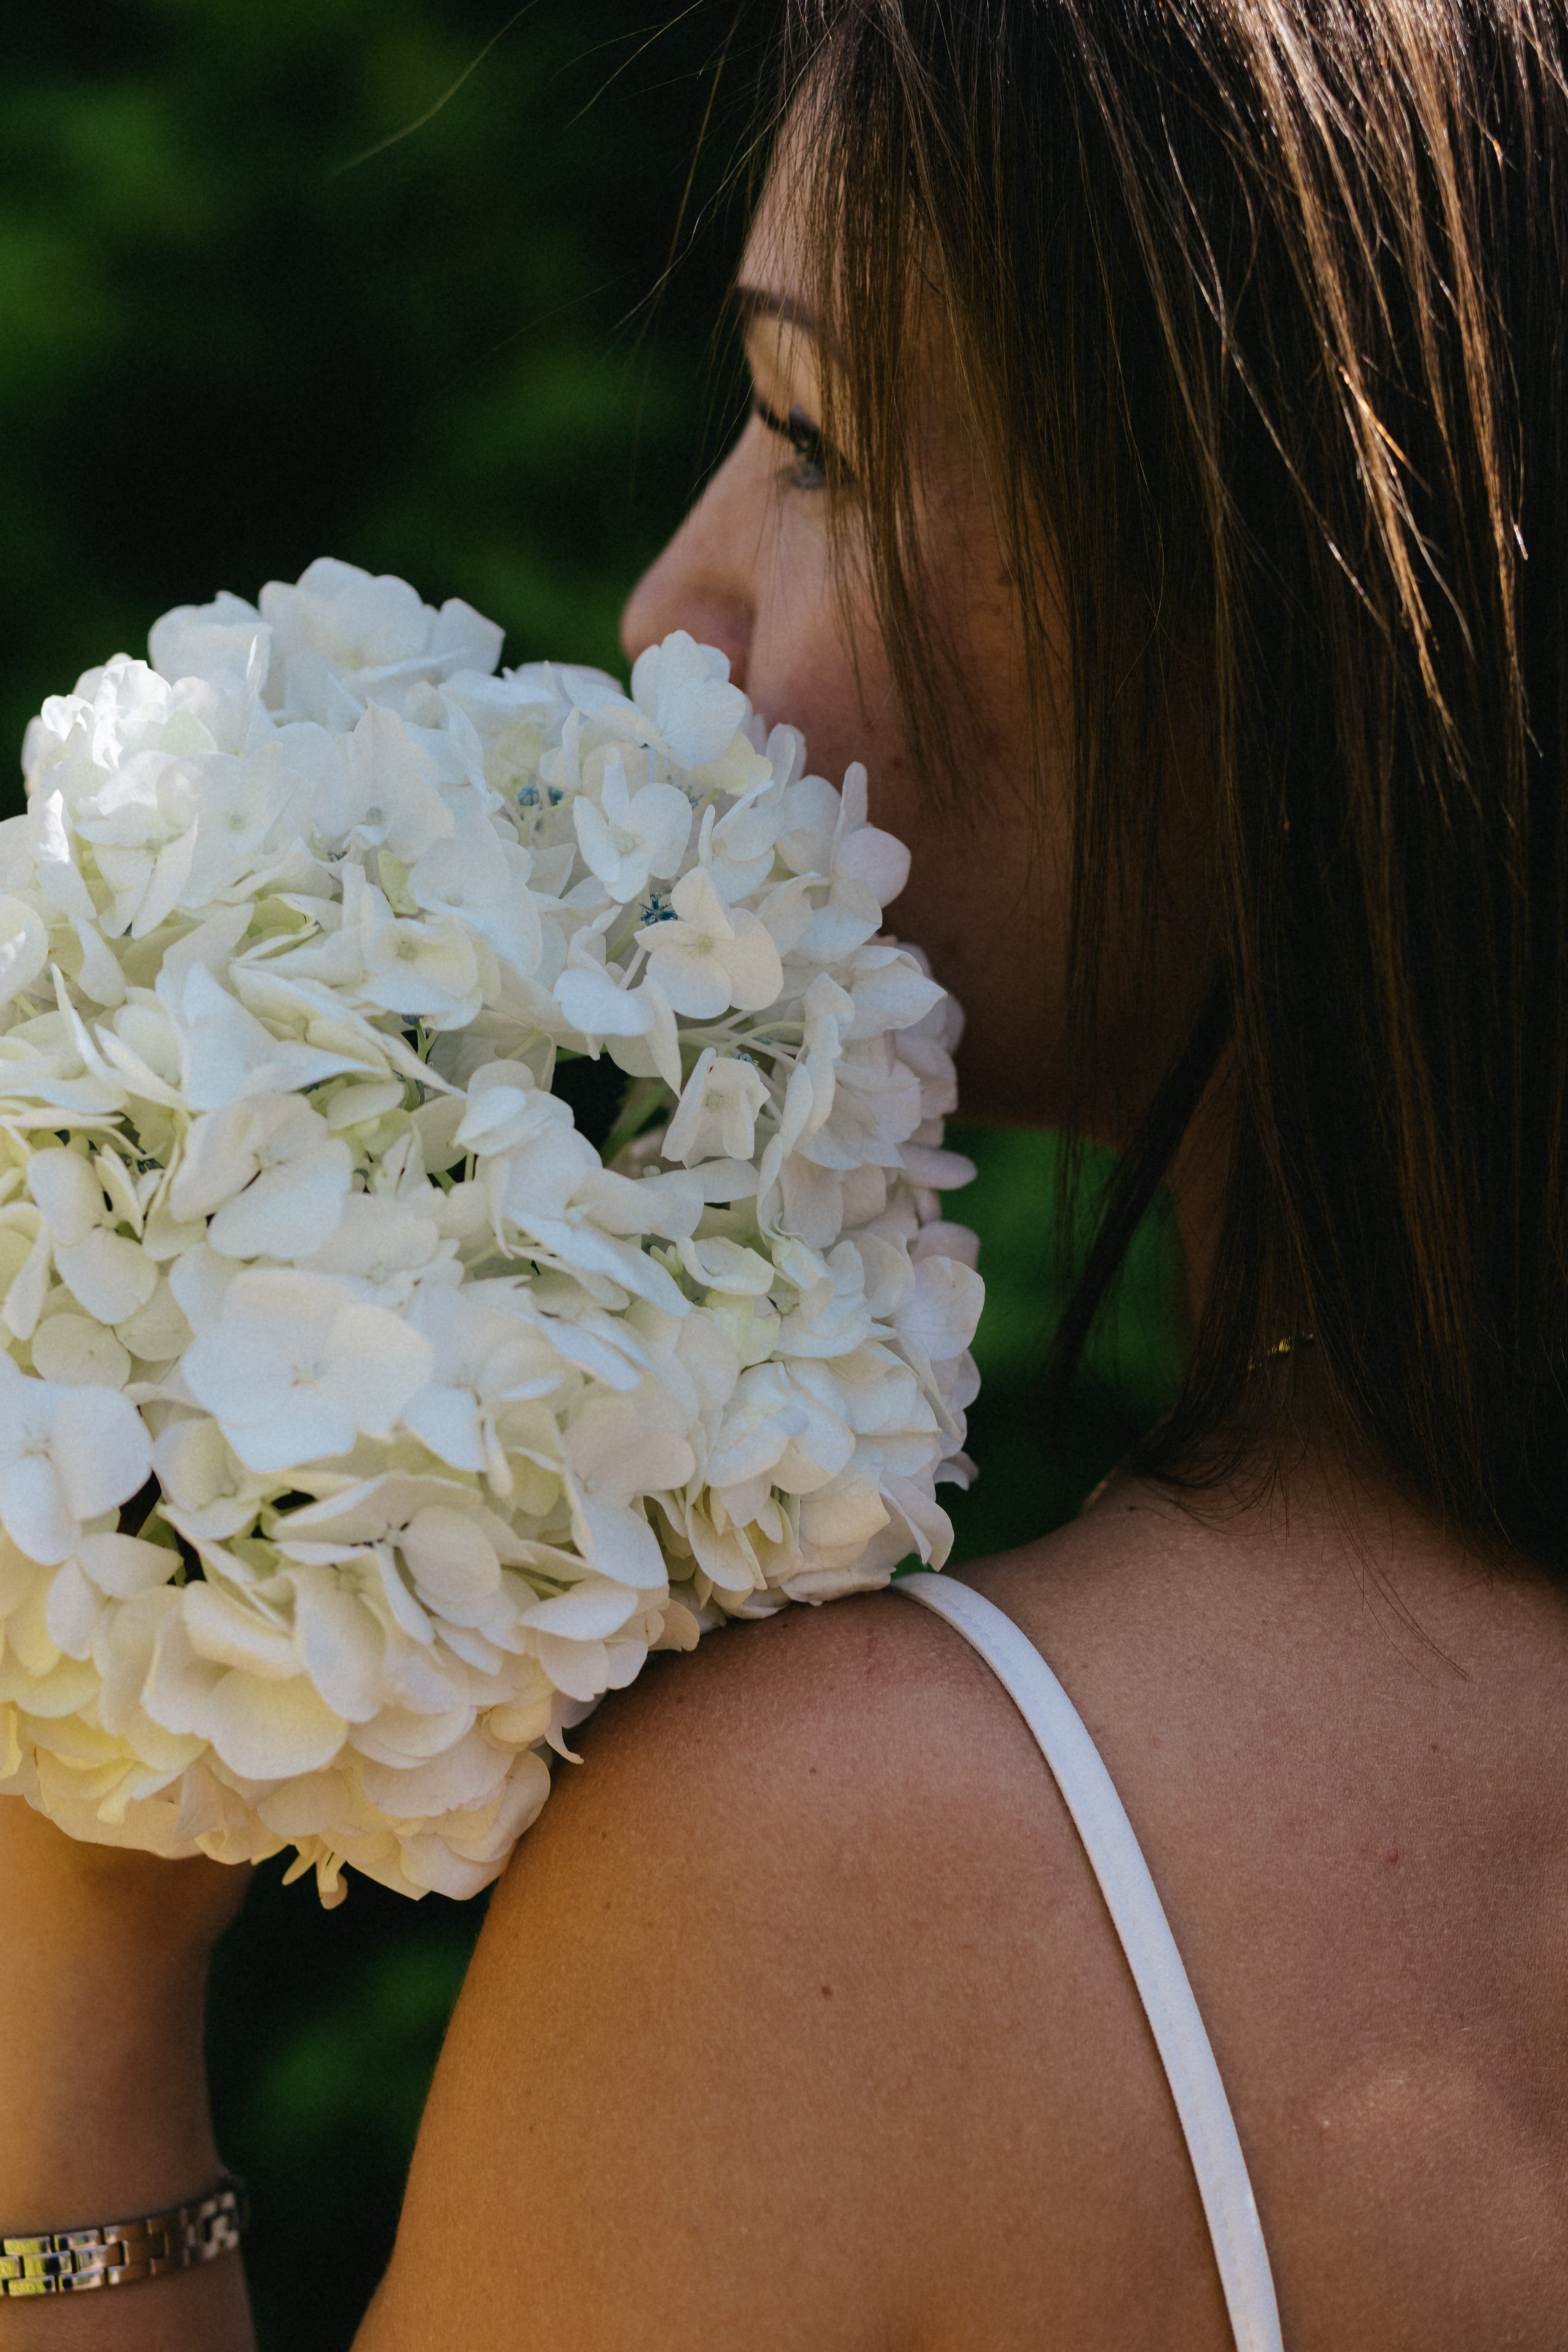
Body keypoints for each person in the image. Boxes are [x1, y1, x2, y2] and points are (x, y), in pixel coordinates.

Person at [7, 1, 1568, 2344]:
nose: (674, 607)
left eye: (807, 433)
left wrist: (69, 1999)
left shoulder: (853, 1890)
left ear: (1281, 594)